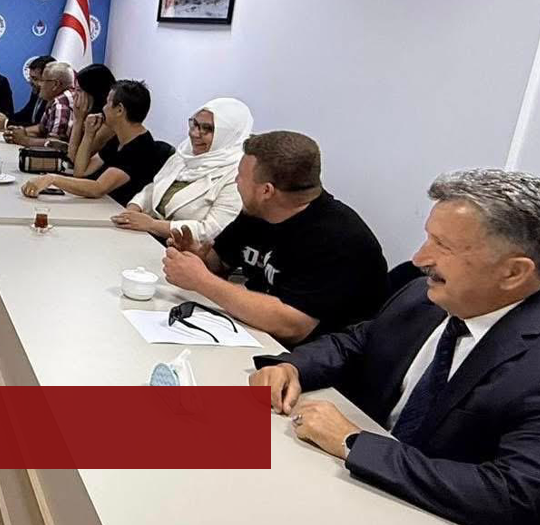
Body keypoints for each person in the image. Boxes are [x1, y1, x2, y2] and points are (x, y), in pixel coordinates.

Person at [250, 169, 540, 524]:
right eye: (428, 238)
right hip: (341, 482)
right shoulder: (423, 294)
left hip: (414, 509)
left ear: (513, 273)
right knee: (192, 453)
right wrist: (292, 366)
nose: (419, 259)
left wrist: (352, 442)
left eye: (443, 246)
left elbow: (514, 493)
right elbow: (358, 342)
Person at [160, 131, 388, 345]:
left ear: (266, 191)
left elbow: (292, 325)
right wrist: (199, 257)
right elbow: (221, 261)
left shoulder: (340, 239)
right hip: (248, 331)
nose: (236, 182)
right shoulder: (258, 212)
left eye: (240, 176)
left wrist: (202, 281)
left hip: (304, 359)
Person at [111, 97, 252, 243]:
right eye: (195, 124)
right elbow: (154, 187)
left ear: (228, 135)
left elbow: (211, 230)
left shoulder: (237, 175)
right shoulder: (186, 154)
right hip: (147, 236)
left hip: (184, 249)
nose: (195, 133)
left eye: (207, 129)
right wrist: (132, 210)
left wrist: (153, 225)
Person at [23, 80, 172, 205]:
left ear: (119, 110)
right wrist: (89, 134)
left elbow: (98, 188)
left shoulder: (140, 147)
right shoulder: (117, 139)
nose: (104, 108)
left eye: (108, 103)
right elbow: (80, 172)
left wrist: (52, 179)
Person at [4, 61, 75, 148]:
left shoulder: (60, 104)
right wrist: (16, 133)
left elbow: (55, 145)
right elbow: (41, 129)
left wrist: (25, 140)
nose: (39, 84)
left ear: (56, 84)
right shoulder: (54, 100)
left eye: (43, 80)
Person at [63, 63, 117, 163]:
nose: (74, 95)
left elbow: (73, 159)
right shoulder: (89, 115)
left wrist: (78, 120)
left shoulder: (108, 125)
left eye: (79, 90)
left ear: (93, 93)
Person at [0, 55, 54, 131]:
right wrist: (2, 119)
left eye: (35, 79)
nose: (30, 82)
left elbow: (40, 127)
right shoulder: (36, 92)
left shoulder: (54, 100)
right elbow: (25, 114)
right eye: (30, 78)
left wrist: (6, 123)